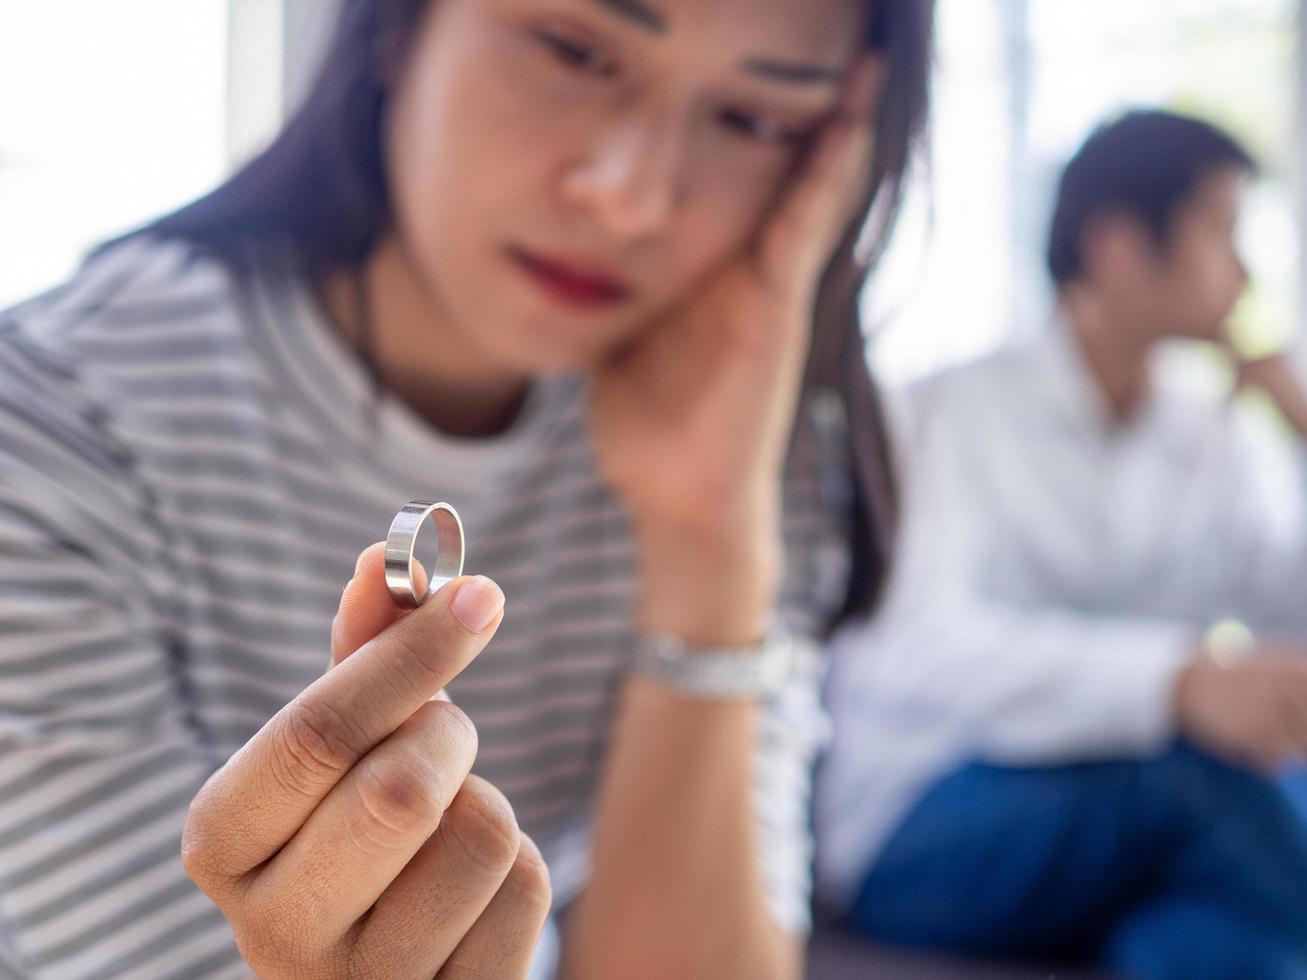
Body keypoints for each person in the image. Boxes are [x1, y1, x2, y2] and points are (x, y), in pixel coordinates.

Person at [0, 0, 932, 977]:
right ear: (398, 27)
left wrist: (704, 541)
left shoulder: (742, 424)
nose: (631, 194)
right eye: (573, 50)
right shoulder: (53, 418)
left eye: (752, 120)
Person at [815, 109, 1307, 978]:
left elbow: (1286, 604)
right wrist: (1180, 683)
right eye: (1221, 233)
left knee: (1215, 930)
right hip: (923, 818)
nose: (1243, 272)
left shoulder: (1213, 432)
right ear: (1117, 245)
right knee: (1206, 788)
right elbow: (915, 649)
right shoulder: (941, 414)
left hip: (1122, 817)